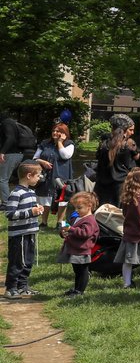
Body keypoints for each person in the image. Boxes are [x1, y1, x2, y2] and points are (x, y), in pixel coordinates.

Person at [4, 162, 43, 298]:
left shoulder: (31, 192)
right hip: (18, 235)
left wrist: (38, 210)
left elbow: (31, 211)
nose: (40, 177)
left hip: (30, 232)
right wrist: (31, 212)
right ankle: (11, 289)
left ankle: (22, 286)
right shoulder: (16, 193)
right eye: (38, 175)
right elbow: (9, 214)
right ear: (28, 176)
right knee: (17, 262)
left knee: (28, 261)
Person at [117, 167, 140, 291]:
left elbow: (124, 213)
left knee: (128, 261)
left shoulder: (127, 198)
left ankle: (126, 283)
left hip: (130, 233)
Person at [57, 191, 100, 298]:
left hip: (82, 250)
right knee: (77, 271)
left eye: (79, 208)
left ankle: (80, 290)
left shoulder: (90, 220)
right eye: (75, 208)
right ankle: (76, 289)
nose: (76, 210)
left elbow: (85, 233)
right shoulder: (77, 217)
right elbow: (72, 229)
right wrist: (64, 232)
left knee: (83, 271)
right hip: (74, 249)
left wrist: (71, 229)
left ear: (89, 206)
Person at [34, 122, 74, 226]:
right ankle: (44, 222)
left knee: (62, 199)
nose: (55, 133)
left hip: (62, 175)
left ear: (64, 133)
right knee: (45, 197)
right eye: (53, 131)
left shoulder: (69, 144)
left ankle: (59, 222)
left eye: (58, 131)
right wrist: (42, 162)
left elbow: (65, 155)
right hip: (46, 175)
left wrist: (60, 142)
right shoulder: (45, 143)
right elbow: (35, 158)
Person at [95, 114, 139, 208]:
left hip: (102, 183)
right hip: (120, 184)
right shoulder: (128, 145)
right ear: (124, 131)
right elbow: (136, 158)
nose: (132, 132)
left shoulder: (104, 144)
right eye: (130, 130)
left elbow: (98, 159)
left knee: (101, 211)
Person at [0, 114, 37, 202]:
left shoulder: (6, 123)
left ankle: (6, 202)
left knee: (2, 179)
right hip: (18, 154)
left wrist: (2, 152)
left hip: (10, 154)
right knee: (12, 178)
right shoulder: (12, 123)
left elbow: (10, 138)